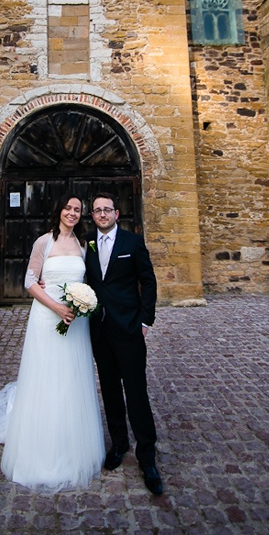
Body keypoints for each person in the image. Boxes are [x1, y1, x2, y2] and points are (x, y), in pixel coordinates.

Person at [0, 193, 105, 490]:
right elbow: (29, 282)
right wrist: (57, 307)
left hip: (74, 322)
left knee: (71, 377)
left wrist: (80, 304)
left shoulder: (82, 244)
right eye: (68, 208)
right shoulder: (43, 242)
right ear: (59, 210)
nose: (73, 213)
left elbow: (88, 281)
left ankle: (71, 439)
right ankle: (39, 442)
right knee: (46, 374)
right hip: (47, 317)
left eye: (77, 209)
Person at [85, 192, 162, 495]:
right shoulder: (87, 245)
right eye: (97, 211)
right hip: (100, 331)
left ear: (117, 213)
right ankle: (118, 444)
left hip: (129, 329)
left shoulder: (132, 243)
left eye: (107, 210)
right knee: (111, 391)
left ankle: (147, 455)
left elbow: (149, 280)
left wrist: (145, 321)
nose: (102, 214)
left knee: (136, 391)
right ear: (92, 216)